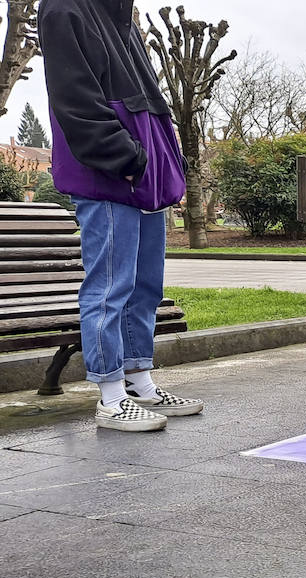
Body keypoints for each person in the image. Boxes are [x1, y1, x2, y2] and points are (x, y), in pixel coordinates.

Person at [40, 0, 203, 432]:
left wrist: (160, 162)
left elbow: (149, 102)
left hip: (142, 176)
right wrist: (127, 158)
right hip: (109, 174)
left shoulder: (120, 17)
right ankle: (111, 397)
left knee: (144, 285)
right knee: (110, 287)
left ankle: (139, 383)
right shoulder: (63, 10)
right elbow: (74, 99)